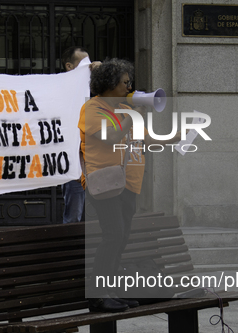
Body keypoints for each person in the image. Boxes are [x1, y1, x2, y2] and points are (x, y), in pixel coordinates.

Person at [80, 58, 147, 312]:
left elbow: (142, 139)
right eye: (125, 82)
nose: (129, 88)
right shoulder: (92, 109)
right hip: (104, 183)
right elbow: (111, 137)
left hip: (126, 184)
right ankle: (97, 295)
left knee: (122, 237)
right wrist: (132, 116)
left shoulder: (120, 108)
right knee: (113, 235)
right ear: (109, 83)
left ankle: (110, 289)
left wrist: (179, 137)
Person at [60, 46, 101, 223]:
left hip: (96, 163)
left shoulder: (92, 88)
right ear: (69, 66)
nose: (89, 67)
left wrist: (103, 72)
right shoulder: (62, 90)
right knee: (73, 217)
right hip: (75, 164)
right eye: (84, 64)